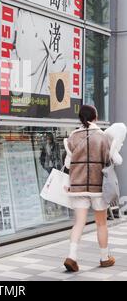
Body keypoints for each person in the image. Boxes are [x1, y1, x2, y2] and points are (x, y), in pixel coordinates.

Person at [63, 105, 124, 273]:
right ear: (95, 117)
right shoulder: (103, 137)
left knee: (79, 223)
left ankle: (71, 257)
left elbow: (68, 164)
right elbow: (110, 160)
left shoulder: (72, 137)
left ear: (80, 118)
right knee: (101, 223)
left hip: (78, 186)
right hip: (98, 187)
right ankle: (104, 258)